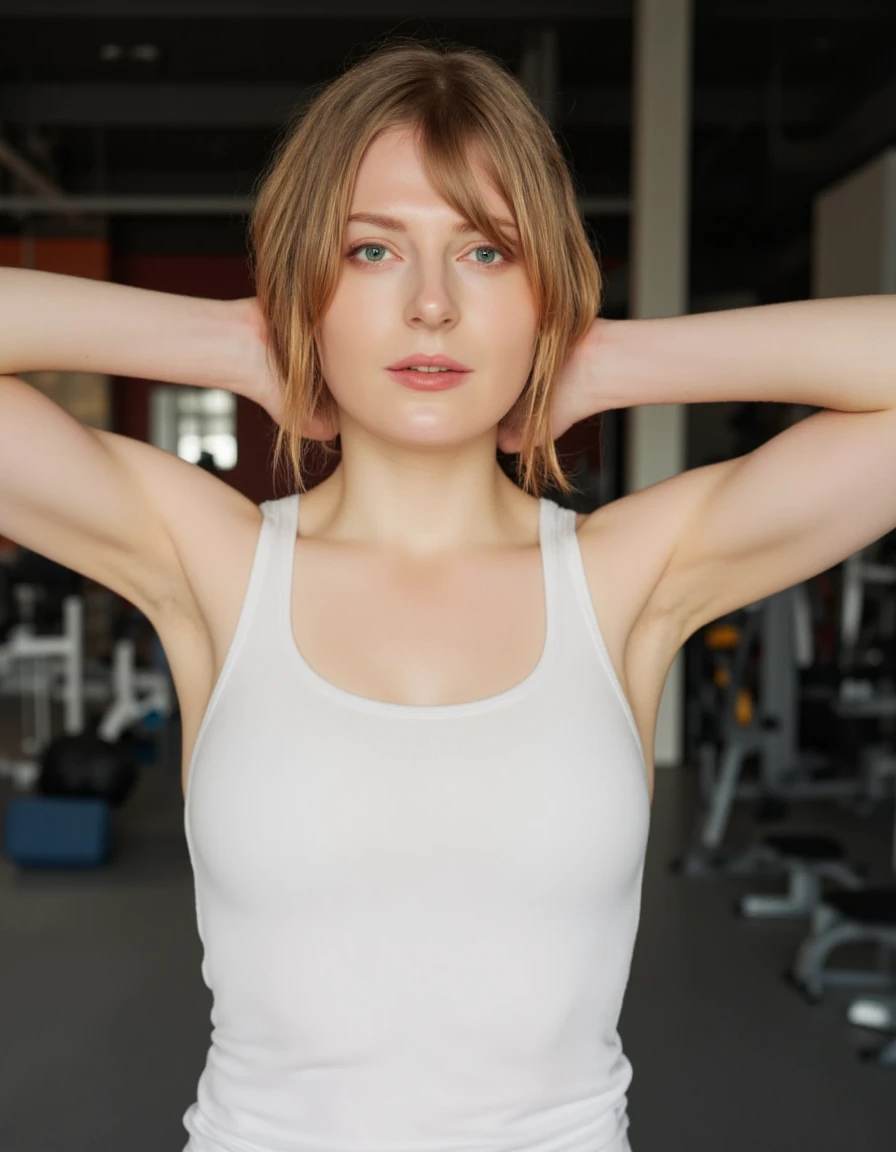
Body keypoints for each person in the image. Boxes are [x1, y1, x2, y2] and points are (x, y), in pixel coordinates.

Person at [1, 36, 894, 1152]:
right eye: (370, 253)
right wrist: (232, 338)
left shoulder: (625, 577)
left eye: (484, 254)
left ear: (546, 289)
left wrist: (603, 363)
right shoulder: (211, 561)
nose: (429, 305)